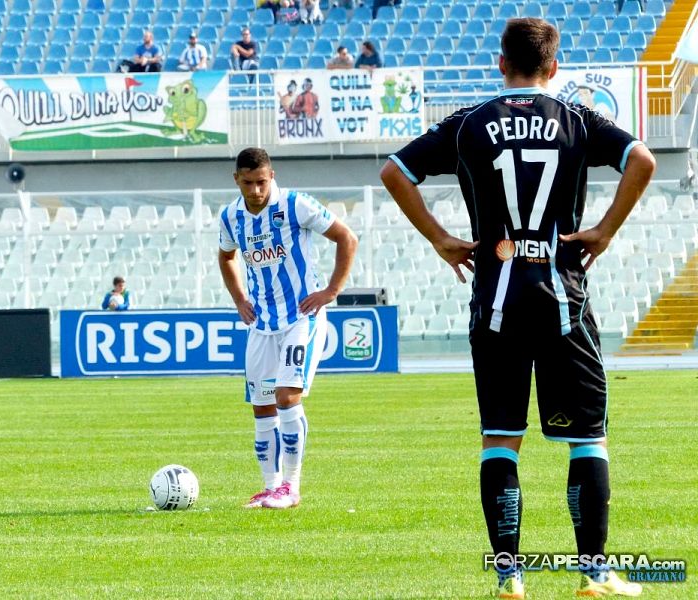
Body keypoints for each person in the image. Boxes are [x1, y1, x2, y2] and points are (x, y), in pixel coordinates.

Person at [380, 17, 655, 600]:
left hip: (496, 301)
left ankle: (510, 578)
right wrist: (603, 230)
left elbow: (395, 171)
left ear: (500, 64)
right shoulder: (578, 119)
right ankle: (594, 574)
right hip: (563, 299)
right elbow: (643, 160)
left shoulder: (470, 121)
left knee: (500, 440)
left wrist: (439, 237)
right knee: (587, 440)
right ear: (554, 68)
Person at [218, 147, 358, 510]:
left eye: (261, 182)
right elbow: (226, 255)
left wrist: (331, 291)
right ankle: (270, 486)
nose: (255, 190)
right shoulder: (231, 216)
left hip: (300, 316)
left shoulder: (295, 204)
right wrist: (238, 299)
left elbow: (347, 238)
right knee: (262, 407)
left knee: (286, 396)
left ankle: (291, 488)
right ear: (236, 180)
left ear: (272, 176)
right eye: (247, 183)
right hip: (261, 323)